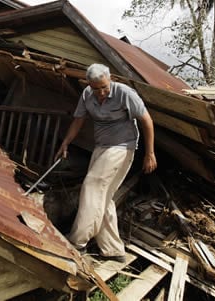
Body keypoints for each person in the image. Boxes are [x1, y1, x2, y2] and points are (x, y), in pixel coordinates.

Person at [55, 63, 156, 263]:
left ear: (110, 80)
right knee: (103, 197)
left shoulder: (125, 93)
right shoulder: (87, 95)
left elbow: (146, 120)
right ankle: (113, 249)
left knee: (92, 185)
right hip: (101, 147)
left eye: (104, 87)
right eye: (96, 88)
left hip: (122, 147)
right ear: (89, 85)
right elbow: (78, 120)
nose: (101, 92)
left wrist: (150, 153)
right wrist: (66, 142)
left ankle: (78, 242)